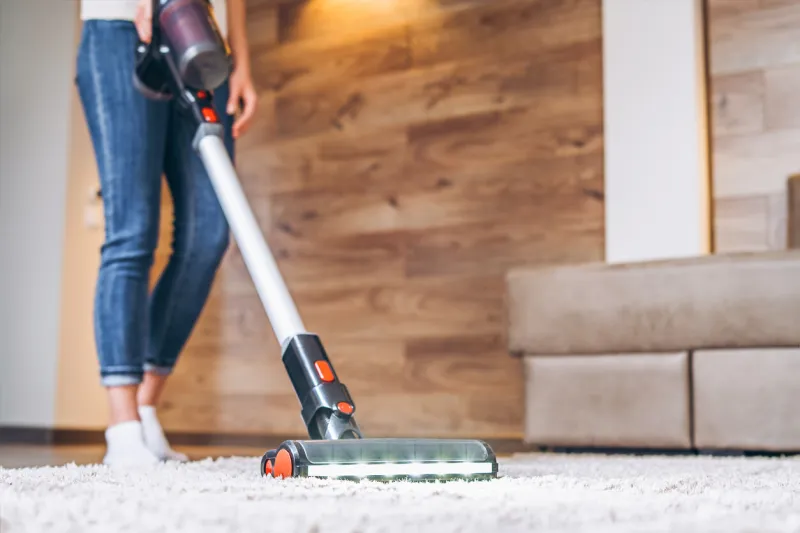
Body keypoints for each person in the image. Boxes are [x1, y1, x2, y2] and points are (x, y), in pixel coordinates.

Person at [76, 0, 257, 466]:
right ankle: (123, 427)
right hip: (121, 26)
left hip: (201, 33)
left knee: (209, 234)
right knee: (132, 230)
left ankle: (144, 408)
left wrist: (240, 58)